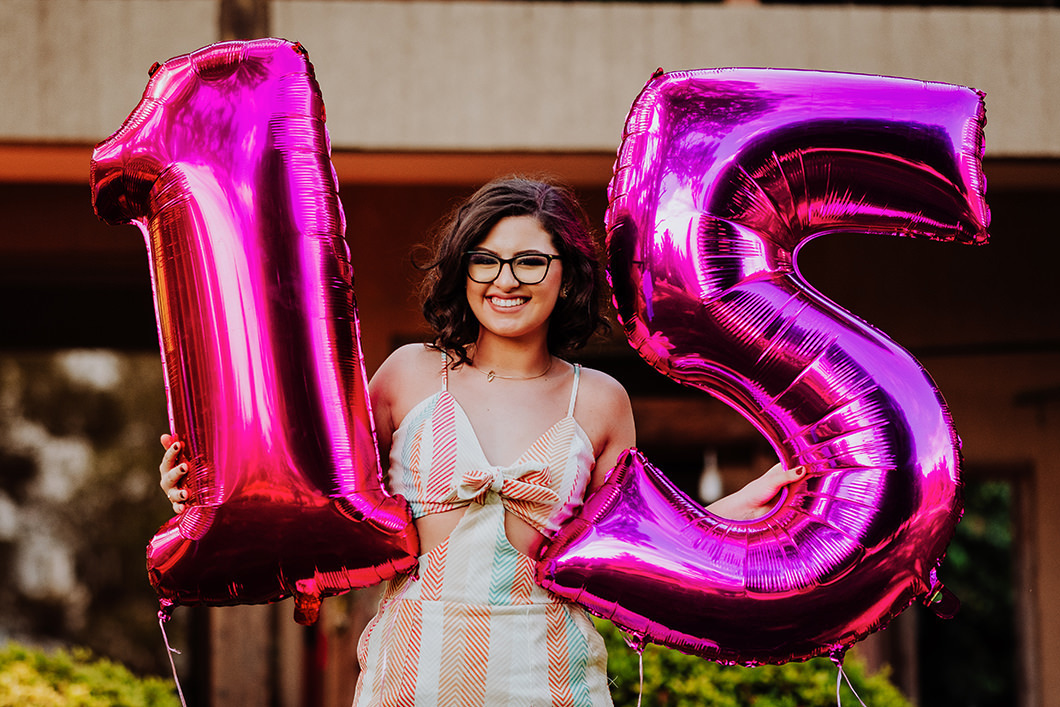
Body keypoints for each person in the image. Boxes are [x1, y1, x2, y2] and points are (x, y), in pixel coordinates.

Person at [158, 176, 803, 706]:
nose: (506, 280)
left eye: (530, 261)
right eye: (485, 259)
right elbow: (309, 492)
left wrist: (740, 510)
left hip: (556, 675)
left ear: (567, 273)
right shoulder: (408, 376)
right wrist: (203, 487)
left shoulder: (602, 400)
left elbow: (635, 553)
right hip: (411, 671)